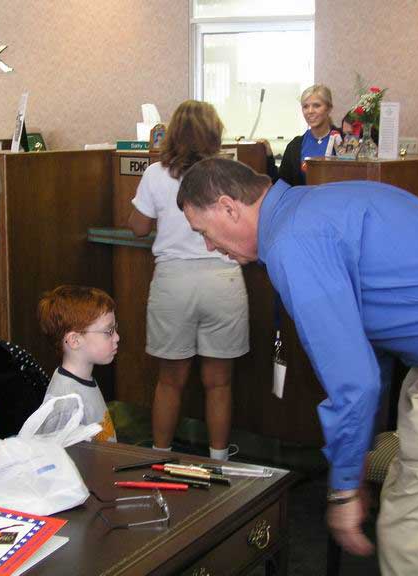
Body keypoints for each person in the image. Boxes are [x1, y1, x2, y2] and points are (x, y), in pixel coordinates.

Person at [176, 157, 418, 575]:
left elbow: (355, 380)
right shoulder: (310, 209)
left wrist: (345, 488)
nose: (209, 247)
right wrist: (359, 454)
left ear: (228, 207)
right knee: (417, 515)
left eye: (203, 232)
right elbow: (370, 352)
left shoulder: (291, 242)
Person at [127, 100, 249, 461]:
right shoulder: (232, 172)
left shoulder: (155, 174)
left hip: (174, 282)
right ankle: (218, 461)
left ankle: (160, 456)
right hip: (223, 280)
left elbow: (137, 228)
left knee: (169, 381)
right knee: (219, 382)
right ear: (214, 132)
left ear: (174, 132)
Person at [38, 285, 118, 442]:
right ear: (75, 340)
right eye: (109, 331)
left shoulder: (84, 378)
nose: (117, 337)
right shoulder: (66, 404)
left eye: (115, 328)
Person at [277, 84, 341, 186]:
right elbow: (282, 184)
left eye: (316, 105)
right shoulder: (294, 146)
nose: (310, 111)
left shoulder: (344, 141)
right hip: (303, 201)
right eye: (305, 107)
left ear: (329, 108)